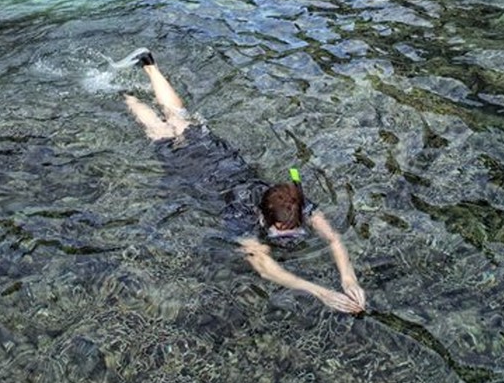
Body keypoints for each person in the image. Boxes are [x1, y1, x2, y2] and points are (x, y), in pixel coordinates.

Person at [119, 48, 365, 315]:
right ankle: (124, 94)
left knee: (179, 119)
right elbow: (263, 266)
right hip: (195, 168)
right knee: (162, 130)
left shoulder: (297, 202)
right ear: (262, 216)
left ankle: (150, 65)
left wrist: (348, 277)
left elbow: (334, 239)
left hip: (219, 157)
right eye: (283, 228)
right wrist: (320, 291)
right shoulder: (242, 215)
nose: (289, 232)